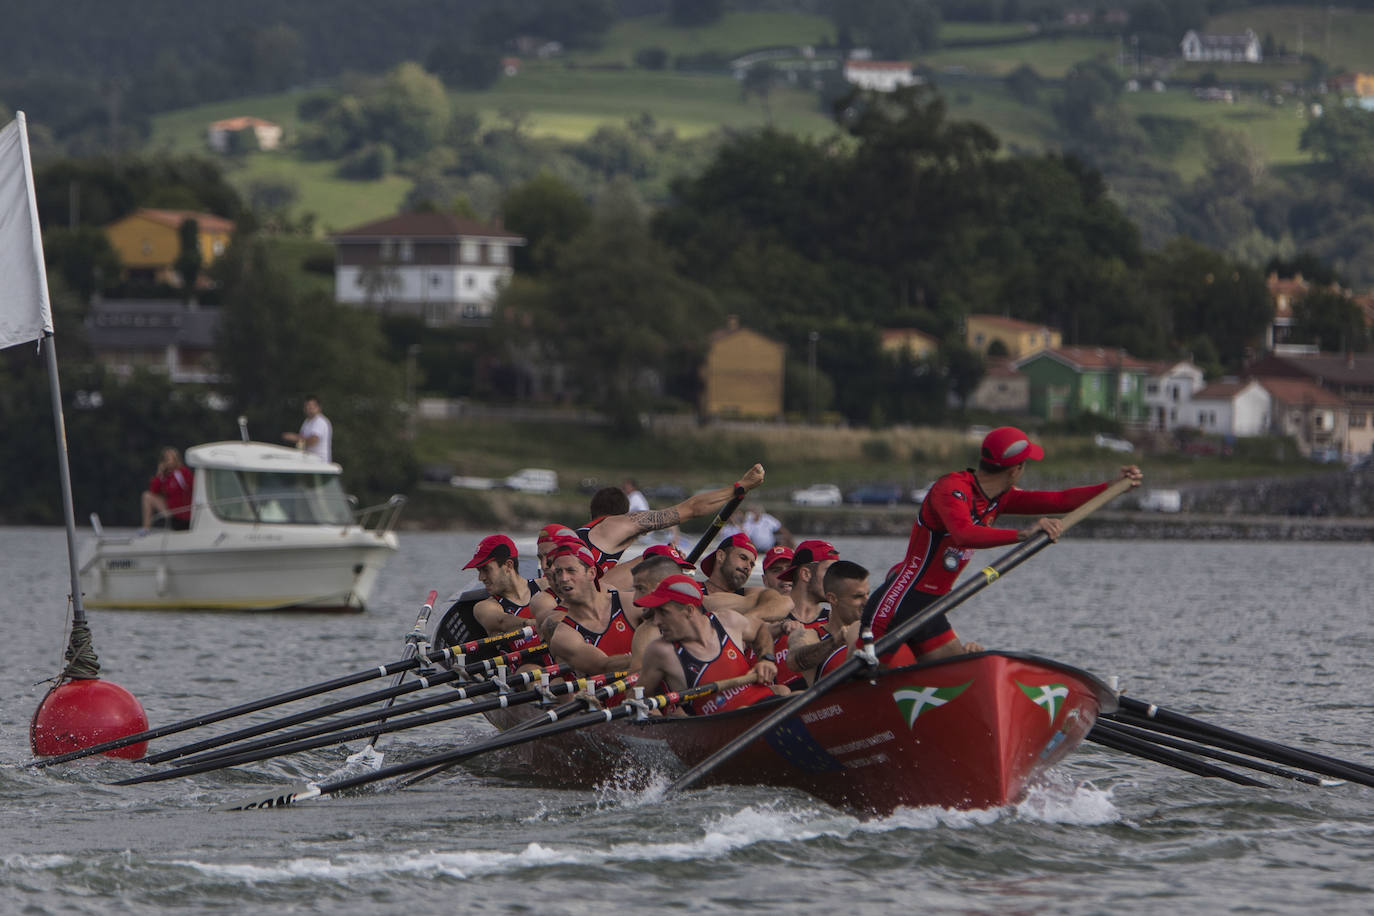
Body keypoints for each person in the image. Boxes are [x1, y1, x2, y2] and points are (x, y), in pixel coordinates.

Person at [860, 426, 1141, 663]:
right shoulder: (950, 489)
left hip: (933, 607)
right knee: (864, 678)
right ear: (1015, 469)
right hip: (899, 602)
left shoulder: (1001, 497)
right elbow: (964, 535)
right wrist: (1022, 535)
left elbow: (1059, 501)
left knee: (959, 680)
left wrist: (1114, 486)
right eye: (1025, 464)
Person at [634, 574, 779, 715]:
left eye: (663, 612)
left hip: (767, 708)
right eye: (655, 613)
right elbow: (636, 697)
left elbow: (761, 628)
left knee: (791, 693)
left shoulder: (728, 621)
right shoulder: (661, 651)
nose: (656, 621)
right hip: (727, 729)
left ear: (689, 610)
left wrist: (766, 659)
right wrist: (664, 722)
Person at [541, 537, 643, 676]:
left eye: (571, 570)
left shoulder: (629, 602)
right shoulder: (563, 636)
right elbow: (604, 666)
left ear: (591, 573)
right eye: (559, 572)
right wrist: (652, 659)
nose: (563, 578)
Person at [462, 534, 550, 668]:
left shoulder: (545, 586)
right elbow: (501, 621)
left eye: (486, 569)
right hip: (526, 672)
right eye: (479, 571)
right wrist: (531, 623)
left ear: (508, 565)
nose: (481, 578)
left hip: (561, 661)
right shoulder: (485, 607)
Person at [141, 447, 194, 534]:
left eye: (171, 458)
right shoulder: (164, 477)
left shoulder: (183, 472)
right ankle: (146, 529)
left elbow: (192, 488)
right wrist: (160, 473)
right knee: (147, 496)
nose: (169, 461)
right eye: (166, 459)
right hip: (171, 514)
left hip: (183, 516)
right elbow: (153, 491)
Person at [282, 395, 332, 462]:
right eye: (307, 406)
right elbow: (302, 438)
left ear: (319, 408)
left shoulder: (320, 421)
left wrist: (294, 437)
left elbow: (313, 440)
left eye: (312, 406)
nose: (309, 408)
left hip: (319, 462)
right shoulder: (307, 422)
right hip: (308, 460)